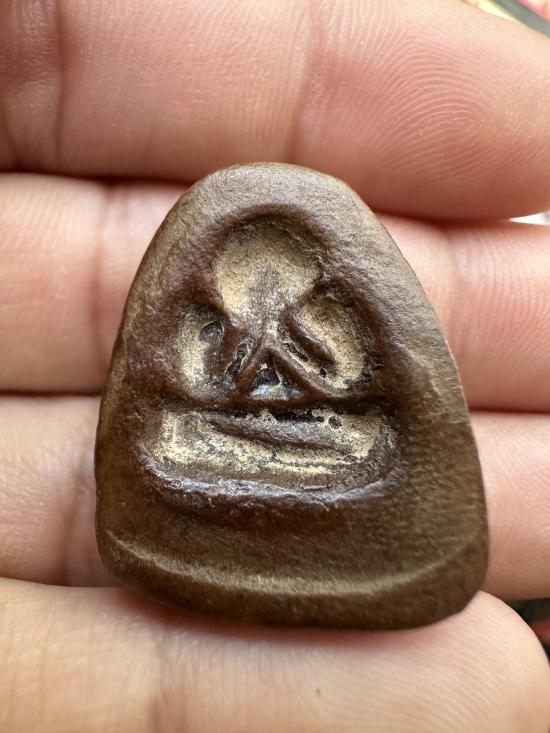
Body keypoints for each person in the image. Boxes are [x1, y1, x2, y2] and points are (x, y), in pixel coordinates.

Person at [1, 1, 549, 730]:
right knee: (184, 445)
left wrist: (299, 367)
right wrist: (248, 365)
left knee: (351, 446)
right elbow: (197, 388)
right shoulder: (220, 324)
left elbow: (342, 384)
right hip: (231, 436)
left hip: (309, 436)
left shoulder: (316, 324)